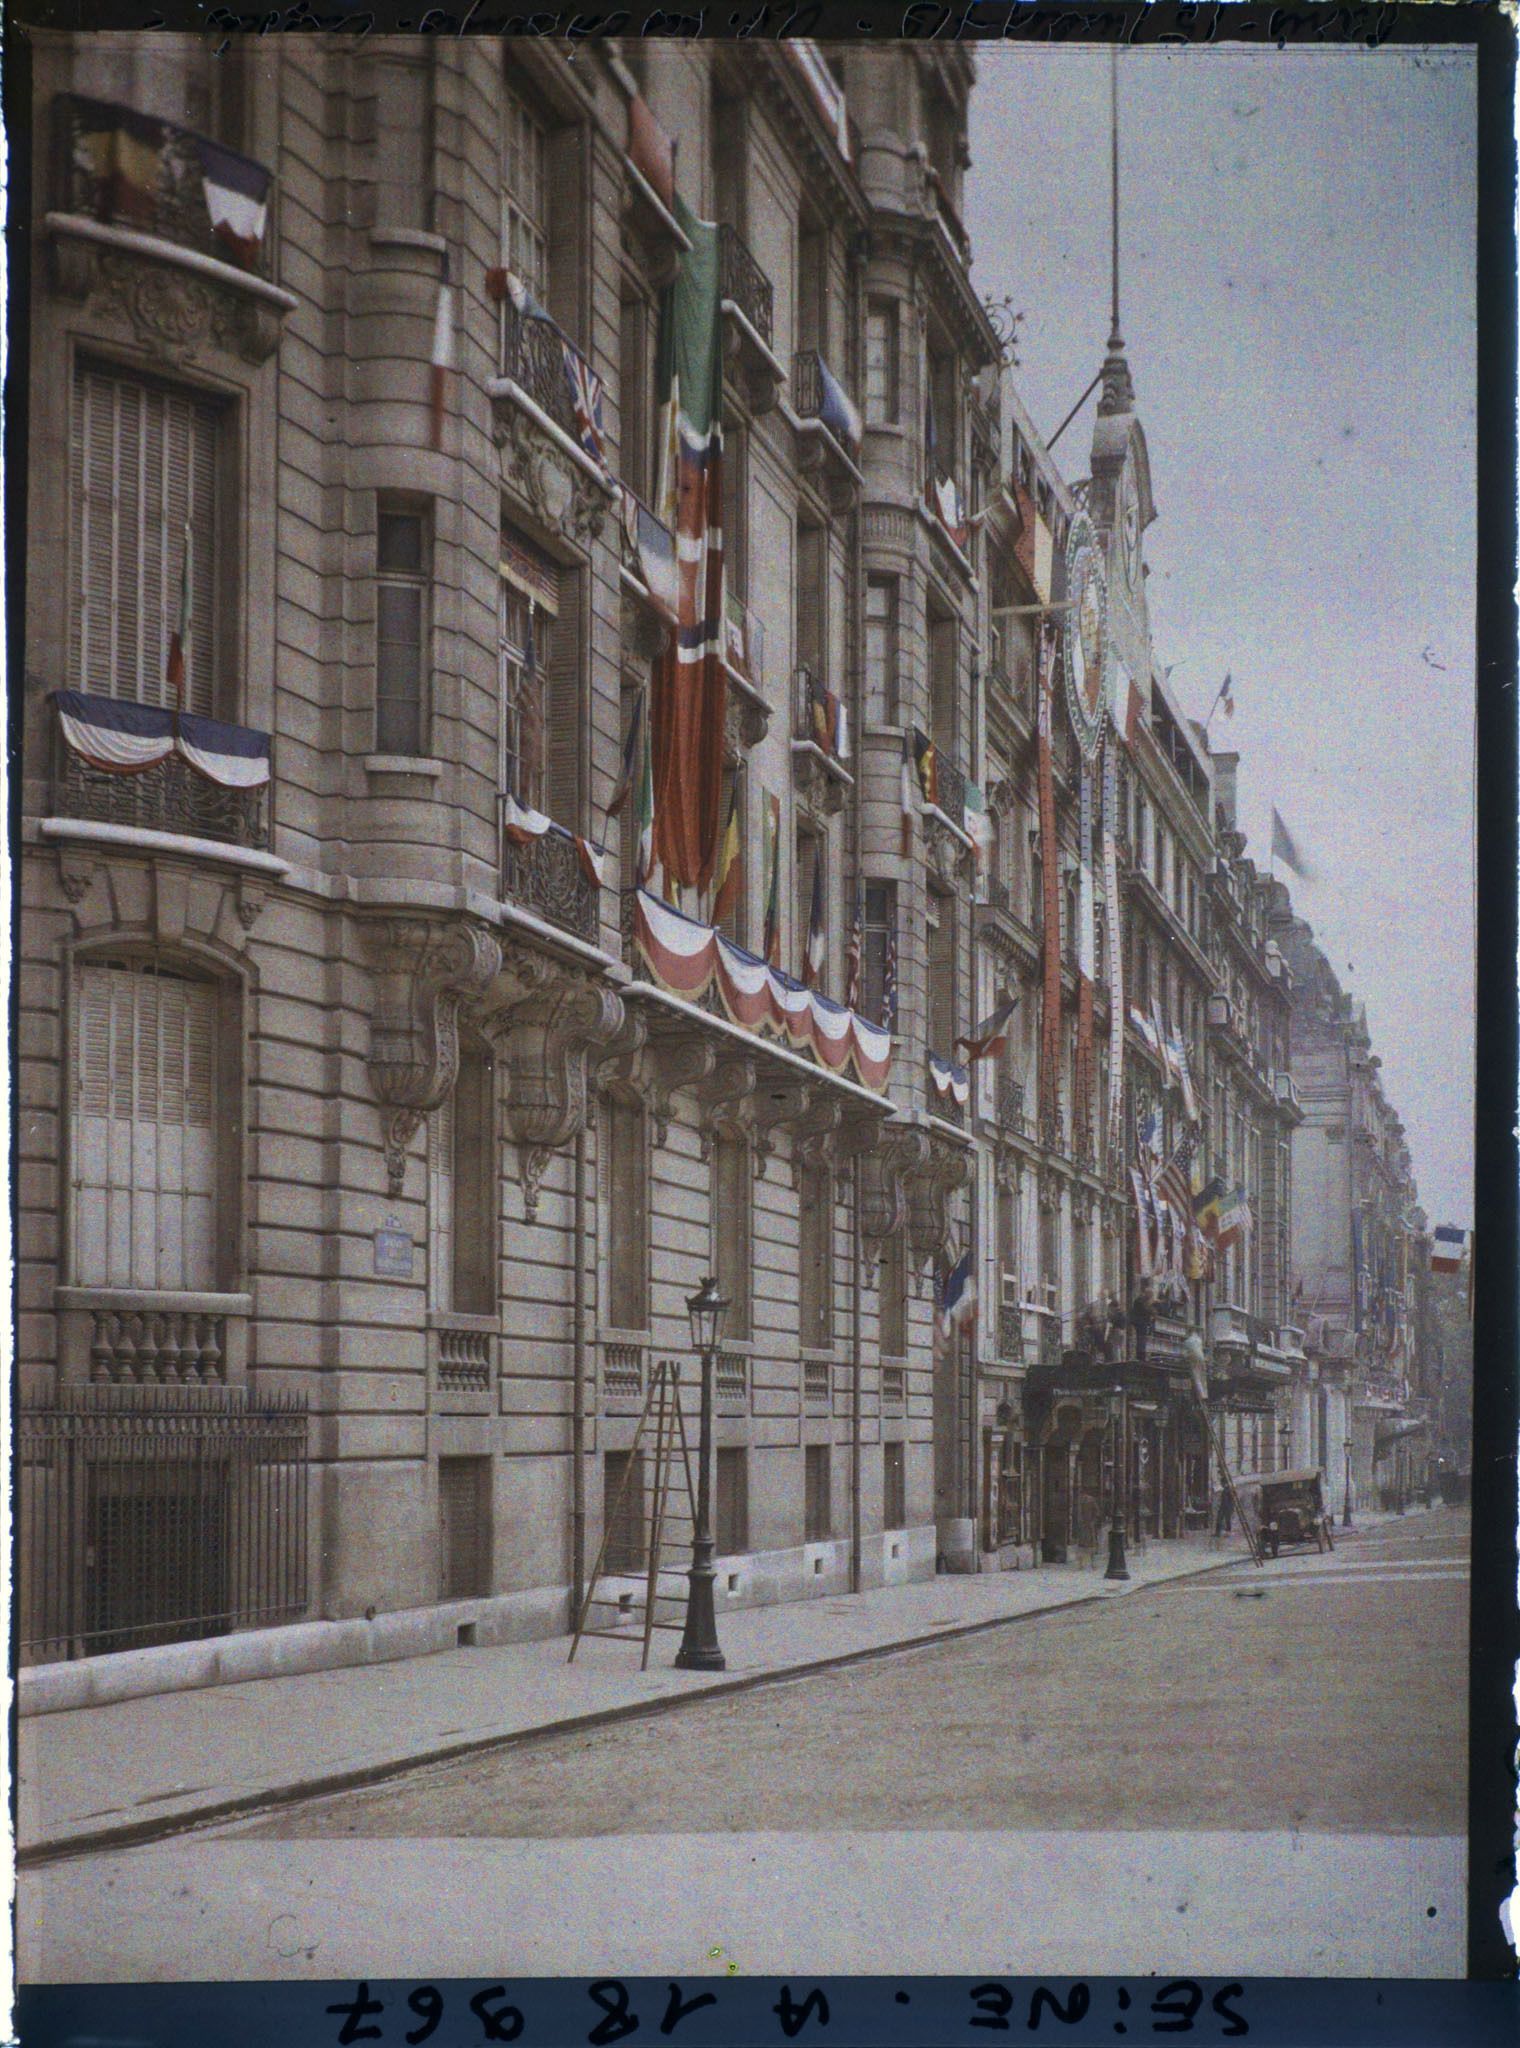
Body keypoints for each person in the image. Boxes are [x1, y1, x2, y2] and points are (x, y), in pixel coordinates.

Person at [1129, 1278, 1155, 1365]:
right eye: (1150, 1295)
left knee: (1142, 1339)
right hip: (1140, 1323)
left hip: (1142, 1322)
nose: (1151, 1297)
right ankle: (1140, 1356)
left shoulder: (1143, 1301)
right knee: (1141, 1338)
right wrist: (1150, 1306)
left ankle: (1142, 1355)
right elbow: (1146, 1310)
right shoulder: (1140, 1300)